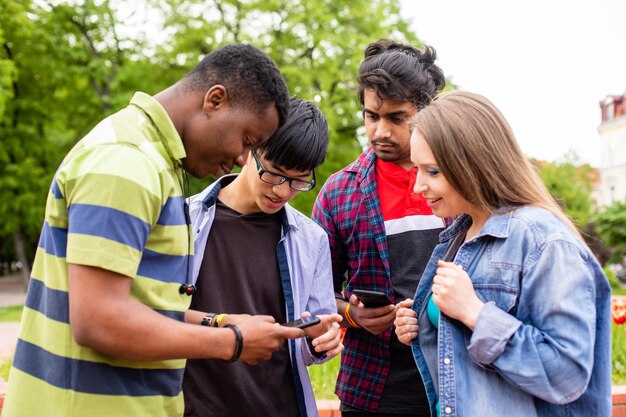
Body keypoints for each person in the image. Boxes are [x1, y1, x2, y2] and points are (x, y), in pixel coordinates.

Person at [2, 43, 306, 417]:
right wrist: (232, 342)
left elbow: (142, 303)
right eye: (246, 140)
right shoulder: (126, 161)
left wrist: (218, 322)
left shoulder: (158, 164)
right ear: (215, 100)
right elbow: (99, 320)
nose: (243, 159)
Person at [394, 91, 612, 417]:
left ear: (472, 163)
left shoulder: (544, 242)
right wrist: (420, 323)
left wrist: (475, 313)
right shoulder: (458, 236)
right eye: (417, 170)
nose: (418, 186)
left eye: (433, 171)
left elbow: (566, 374)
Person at [182, 98, 343, 417]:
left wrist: (320, 341)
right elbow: (156, 314)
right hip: (193, 406)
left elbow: (314, 343)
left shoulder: (312, 240)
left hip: (280, 406)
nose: (283, 192)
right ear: (249, 150)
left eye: (299, 181)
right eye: (274, 174)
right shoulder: (183, 220)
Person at [311, 39, 446, 416]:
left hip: (457, 382)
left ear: (427, 110)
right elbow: (313, 292)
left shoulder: (462, 182)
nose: (380, 131)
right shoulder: (339, 192)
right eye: (372, 116)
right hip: (371, 391)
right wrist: (353, 315)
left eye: (397, 118)